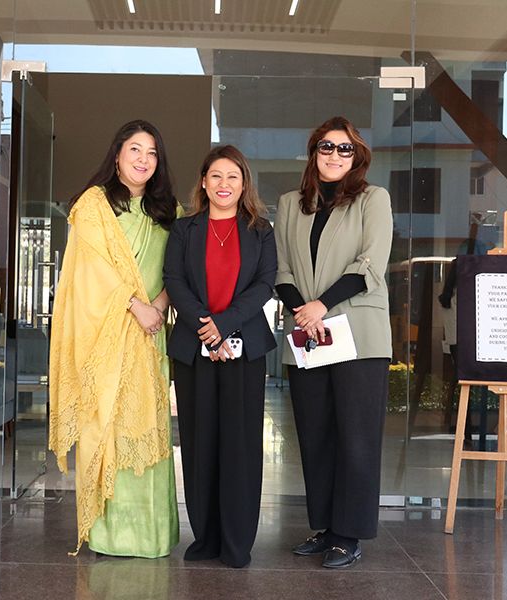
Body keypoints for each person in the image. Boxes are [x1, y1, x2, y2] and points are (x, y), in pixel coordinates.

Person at [49, 120, 179, 557]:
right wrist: (136, 306)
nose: (144, 159)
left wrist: (158, 306)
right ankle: (108, 534)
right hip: (106, 335)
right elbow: (92, 272)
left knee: (148, 429)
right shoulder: (94, 205)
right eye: (135, 149)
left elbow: (178, 269)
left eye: (152, 152)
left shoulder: (169, 211)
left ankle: (151, 535)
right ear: (118, 154)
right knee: (103, 426)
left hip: (150, 335)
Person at [275, 116, 393, 569]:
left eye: (345, 148)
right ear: (314, 152)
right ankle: (325, 527)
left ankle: (349, 534)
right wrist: (304, 311)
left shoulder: (373, 199)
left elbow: (370, 264)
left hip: (358, 334)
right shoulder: (290, 204)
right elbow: (282, 269)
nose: (335, 155)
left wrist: (320, 305)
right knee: (315, 435)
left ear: (357, 156)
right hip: (308, 335)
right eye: (327, 146)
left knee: (356, 439)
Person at [163, 145, 277, 568]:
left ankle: (236, 542)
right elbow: (174, 279)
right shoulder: (184, 229)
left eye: (232, 176)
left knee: (240, 445)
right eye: (216, 176)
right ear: (204, 183)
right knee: (199, 442)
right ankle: (205, 539)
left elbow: (265, 284)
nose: (224, 184)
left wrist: (224, 325)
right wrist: (206, 328)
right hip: (195, 351)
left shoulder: (261, 231)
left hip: (244, 351)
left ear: (244, 184)